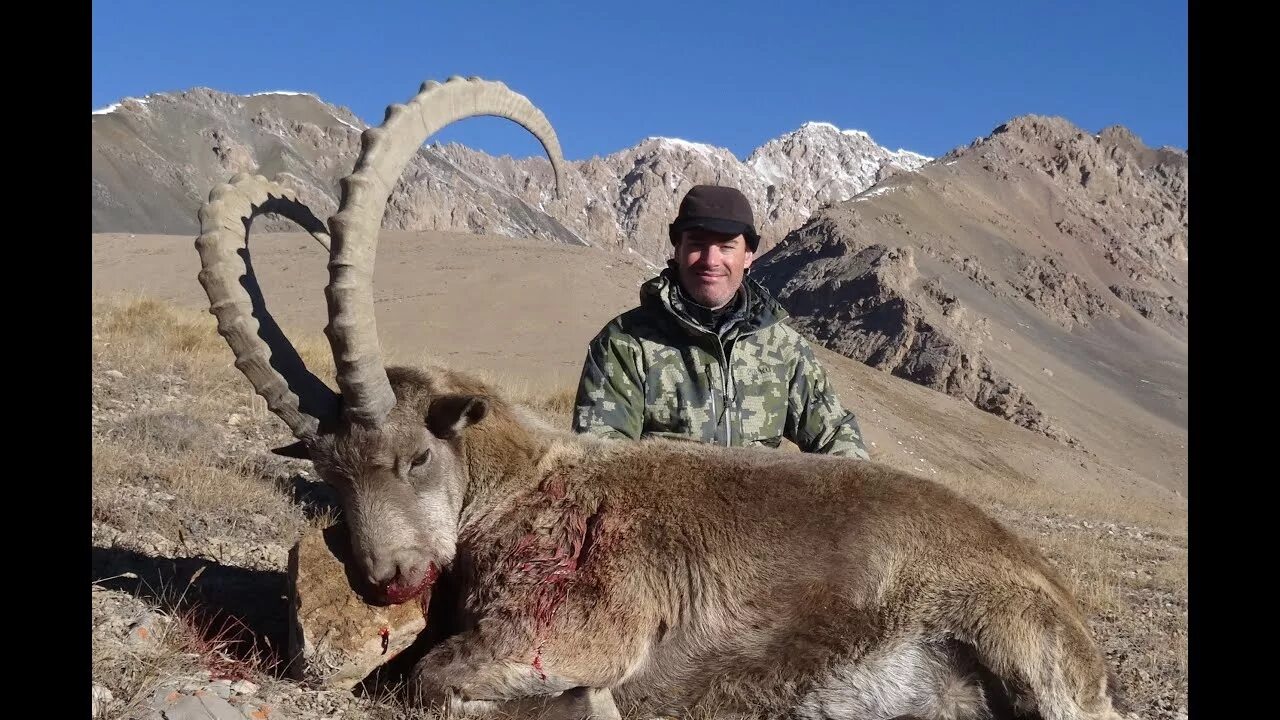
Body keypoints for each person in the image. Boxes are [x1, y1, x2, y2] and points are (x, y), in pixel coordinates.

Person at [571, 184, 871, 459]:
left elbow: (835, 436)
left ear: (748, 255)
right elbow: (601, 460)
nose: (711, 260)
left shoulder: (784, 349)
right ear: (678, 249)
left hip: (763, 514)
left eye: (727, 246)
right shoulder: (625, 343)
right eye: (697, 244)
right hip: (660, 514)